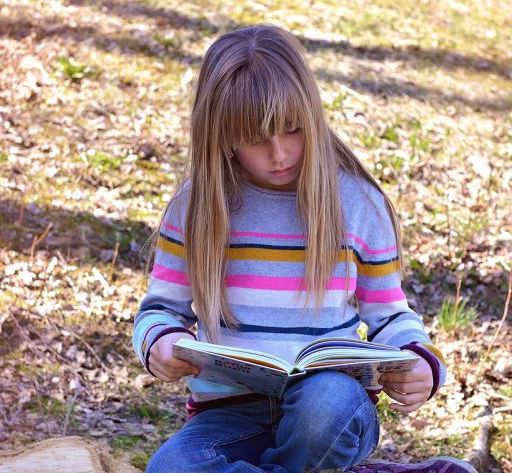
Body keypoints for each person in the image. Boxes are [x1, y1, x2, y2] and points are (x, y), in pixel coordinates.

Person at [133, 24, 452, 473]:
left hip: (332, 406)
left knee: (325, 406)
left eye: (292, 130)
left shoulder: (358, 206)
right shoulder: (196, 209)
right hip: (230, 415)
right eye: (257, 139)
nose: (279, 153)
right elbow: (159, 310)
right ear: (221, 134)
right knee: (170, 468)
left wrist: (421, 361)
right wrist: (161, 343)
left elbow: (390, 316)